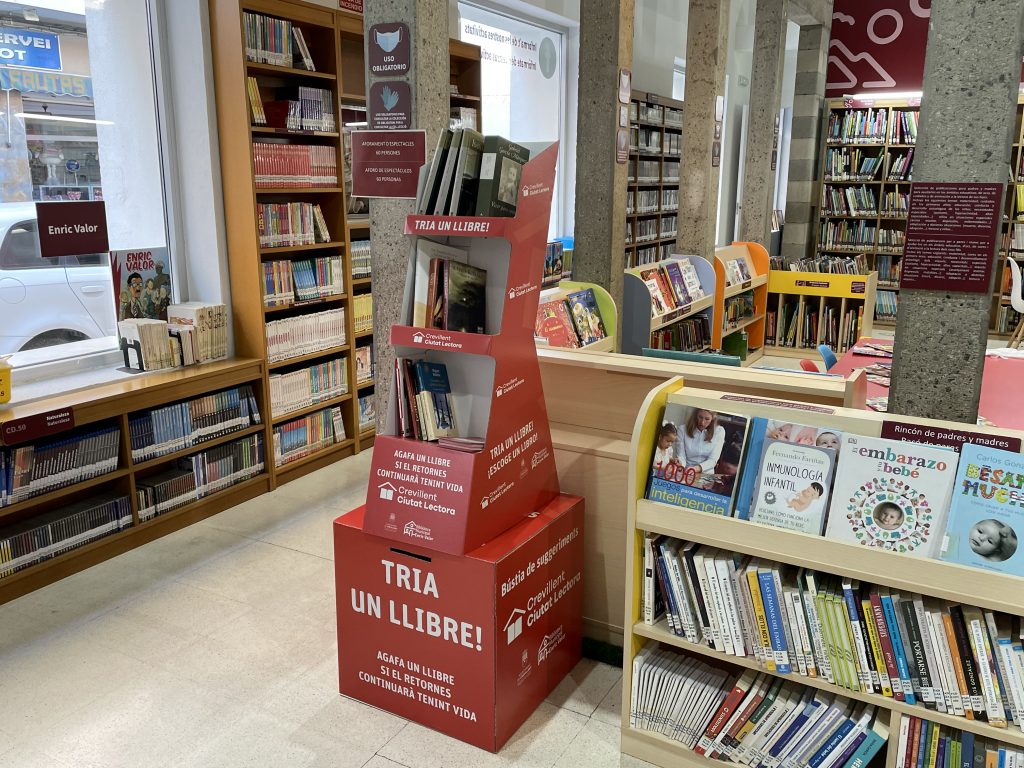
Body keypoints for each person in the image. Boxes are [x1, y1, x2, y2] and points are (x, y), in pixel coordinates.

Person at [676, 408, 725, 474]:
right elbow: (681, 456)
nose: (702, 422)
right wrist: (680, 465)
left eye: (707, 419)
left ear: (712, 419)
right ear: (695, 415)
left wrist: (696, 468)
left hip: (706, 473)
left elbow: (713, 459)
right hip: (686, 471)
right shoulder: (682, 429)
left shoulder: (719, 431)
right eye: (700, 417)